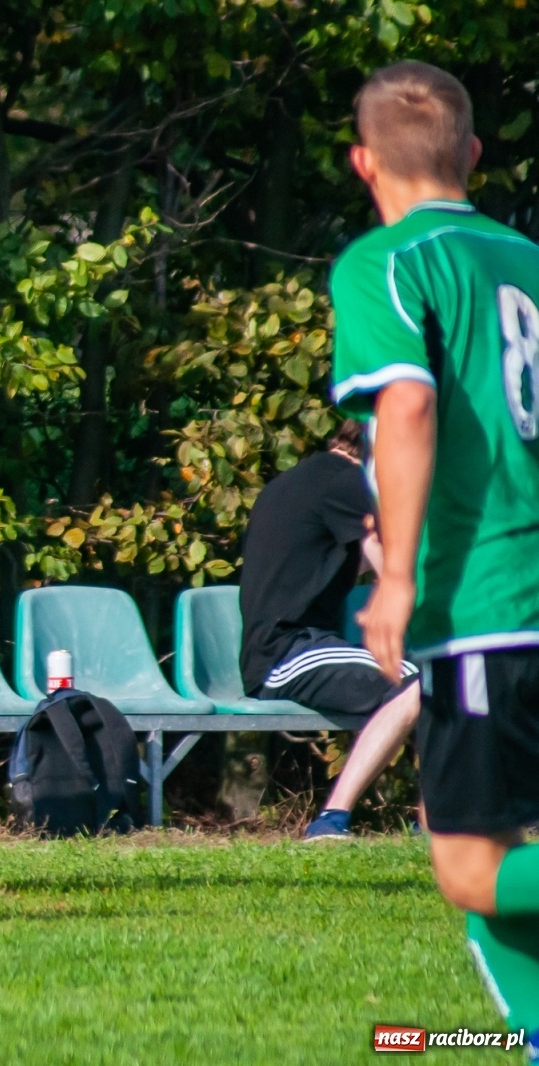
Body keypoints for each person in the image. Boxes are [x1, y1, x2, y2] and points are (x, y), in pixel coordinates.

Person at [331, 61, 539, 1050]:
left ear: (362, 162)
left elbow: (406, 403)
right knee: (487, 838)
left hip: (490, 597)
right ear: (472, 155)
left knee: (465, 864)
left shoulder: (386, 261)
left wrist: (399, 575)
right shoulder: (529, 258)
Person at [237, 421, 420, 840]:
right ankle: (332, 818)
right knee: (420, 684)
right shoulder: (347, 483)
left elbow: (344, 563)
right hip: (287, 652)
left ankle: (439, 818)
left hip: (292, 647)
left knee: (438, 681)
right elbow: (395, 567)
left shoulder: (307, 480)